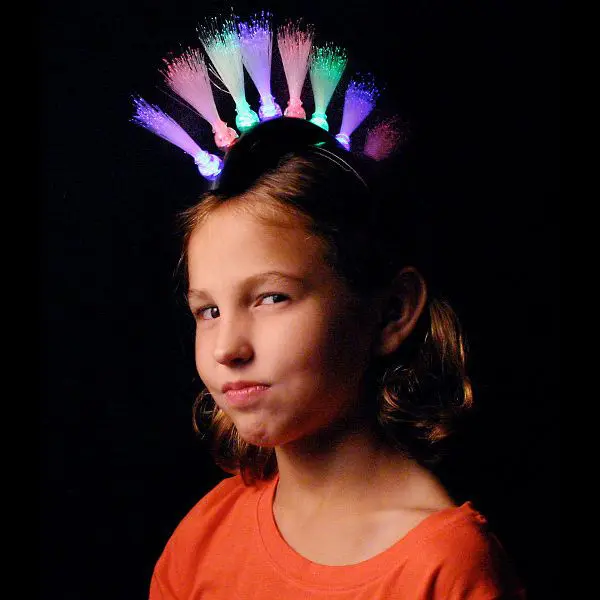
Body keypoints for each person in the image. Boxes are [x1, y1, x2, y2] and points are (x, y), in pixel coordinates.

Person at [148, 117, 526, 599]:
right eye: (209, 310)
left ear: (392, 311)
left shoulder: (445, 570)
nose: (227, 348)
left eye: (271, 297)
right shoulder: (202, 538)